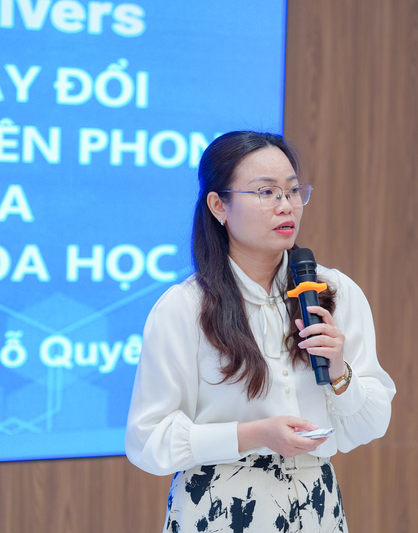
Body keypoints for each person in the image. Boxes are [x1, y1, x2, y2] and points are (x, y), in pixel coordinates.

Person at [125, 131, 395, 532]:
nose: (286, 205)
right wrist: (253, 435)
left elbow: (371, 424)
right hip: (219, 506)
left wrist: (341, 372)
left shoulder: (334, 292)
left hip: (315, 504)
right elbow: (147, 441)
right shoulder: (185, 307)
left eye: (293, 191)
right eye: (266, 192)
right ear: (219, 205)